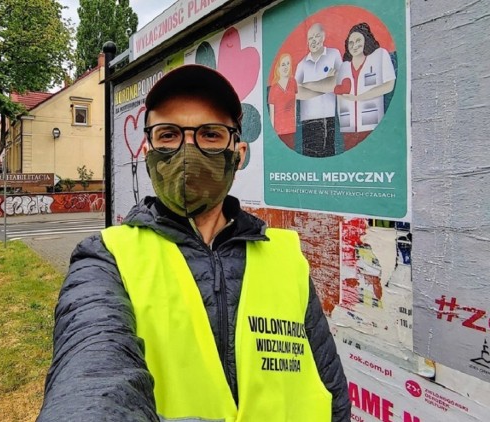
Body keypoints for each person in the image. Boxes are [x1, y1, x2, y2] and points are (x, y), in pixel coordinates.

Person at [37, 65, 350, 421]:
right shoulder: (105, 260)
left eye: (211, 134)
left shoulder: (286, 258)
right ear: (147, 151)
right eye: (168, 134)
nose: (188, 151)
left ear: (239, 153)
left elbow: (332, 393)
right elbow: (91, 384)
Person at [335, 22, 396, 151]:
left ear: (366, 40)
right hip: (348, 128)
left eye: (358, 40)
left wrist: (358, 98)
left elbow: (389, 85)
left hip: (372, 124)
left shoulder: (379, 55)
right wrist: (342, 122)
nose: (354, 45)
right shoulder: (344, 67)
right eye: (350, 43)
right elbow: (339, 96)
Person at [295, 23, 343, 157]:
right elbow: (296, 92)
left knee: (328, 157)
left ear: (323, 37)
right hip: (307, 120)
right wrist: (325, 84)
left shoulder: (334, 54)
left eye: (317, 36)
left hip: (329, 117)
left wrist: (306, 85)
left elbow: (336, 83)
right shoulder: (302, 64)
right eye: (310, 38)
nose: (313, 40)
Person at [268, 52, 298, 149]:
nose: (286, 67)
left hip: (292, 128)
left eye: (288, 63)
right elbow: (272, 114)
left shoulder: (293, 82)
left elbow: (296, 104)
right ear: (278, 68)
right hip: (279, 131)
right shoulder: (273, 89)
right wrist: (273, 133)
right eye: (283, 64)